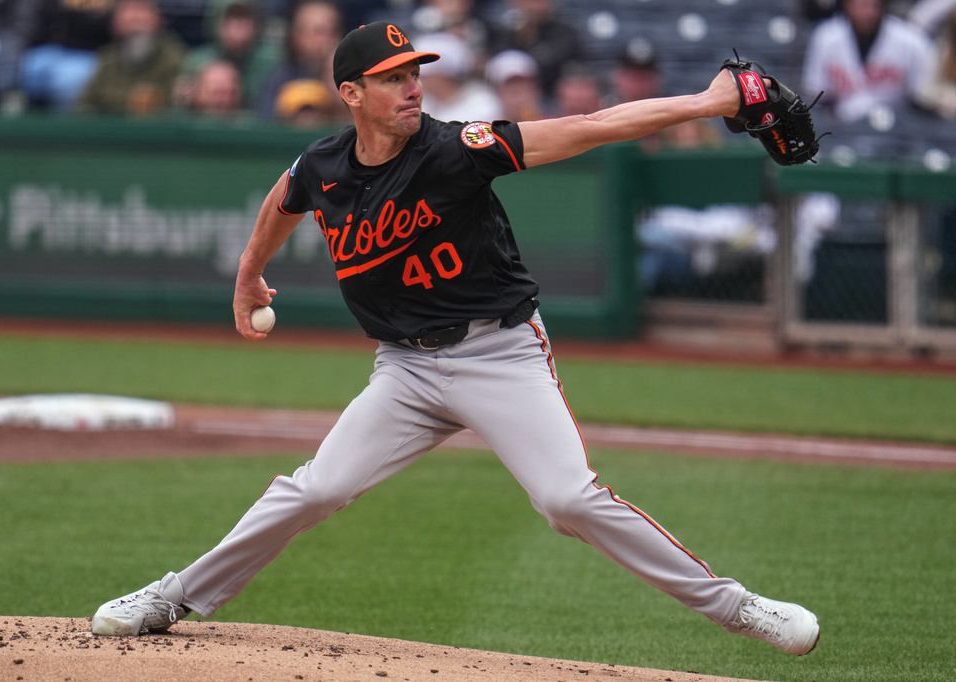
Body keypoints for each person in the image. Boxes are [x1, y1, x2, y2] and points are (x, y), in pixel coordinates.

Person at [90, 21, 821, 658]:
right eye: (392, 79)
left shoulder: (458, 149)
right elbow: (285, 198)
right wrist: (250, 276)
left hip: (498, 355)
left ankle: (736, 607)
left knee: (566, 500)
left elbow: (592, 127)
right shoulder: (325, 166)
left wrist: (713, 99)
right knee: (318, 488)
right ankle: (174, 596)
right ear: (351, 93)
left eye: (416, 74)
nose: (413, 88)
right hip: (404, 371)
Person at [802, 0, 936, 124]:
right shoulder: (825, 37)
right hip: (841, 127)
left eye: (874, 5)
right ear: (847, 6)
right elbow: (817, 95)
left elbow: (923, 99)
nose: (869, 13)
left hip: (899, 128)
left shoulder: (911, 40)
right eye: (863, 5)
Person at [75, 0, 186, 116]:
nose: (136, 18)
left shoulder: (175, 57)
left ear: (158, 19)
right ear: (115, 22)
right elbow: (85, 104)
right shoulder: (107, 57)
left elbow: (178, 108)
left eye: (142, 10)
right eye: (128, 11)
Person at [176, 0, 280, 110]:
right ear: (217, 23)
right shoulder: (198, 60)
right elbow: (181, 108)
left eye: (245, 18)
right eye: (232, 18)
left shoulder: (272, 61)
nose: (238, 25)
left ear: (256, 24)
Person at [255, 0, 346, 120]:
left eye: (332, 31)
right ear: (296, 35)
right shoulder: (279, 79)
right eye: (318, 32)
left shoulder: (350, 75)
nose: (327, 39)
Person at [19, 0, 116, 111]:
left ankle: (63, 123)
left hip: (91, 52)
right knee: (32, 66)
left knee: (67, 80)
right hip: (55, 48)